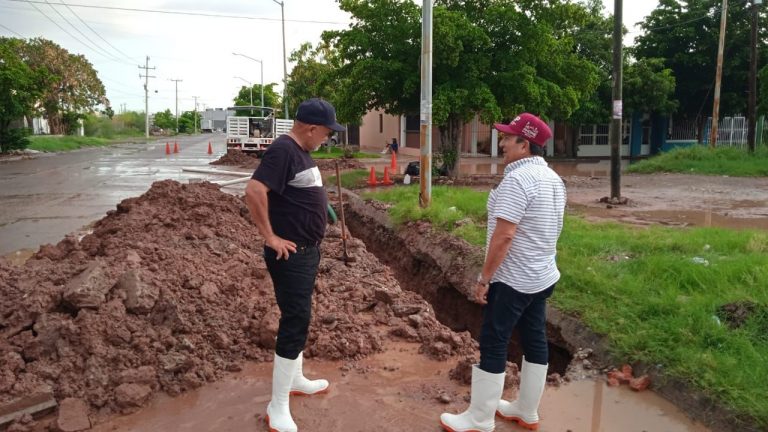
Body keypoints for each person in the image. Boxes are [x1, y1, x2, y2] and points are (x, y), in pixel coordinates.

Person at [439, 113, 565, 432]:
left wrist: (485, 278)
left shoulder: (518, 180)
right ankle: (526, 410)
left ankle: (479, 418)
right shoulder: (553, 178)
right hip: (542, 276)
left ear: (525, 144)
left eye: (509, 138)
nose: (503, 142)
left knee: (494, 339)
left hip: (514, 279)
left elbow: (505, 235)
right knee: (535, 337)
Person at [244, 98, 346, 432]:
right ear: (312, 128)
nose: (327, 139)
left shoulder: (301, 152)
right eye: (327, 133)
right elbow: (255, 189)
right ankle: (278, 407)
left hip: (306, 251)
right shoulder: (284, 150)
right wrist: (270, 236)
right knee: (296, 319)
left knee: (300, 315)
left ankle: (297, 378)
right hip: (290, 254)